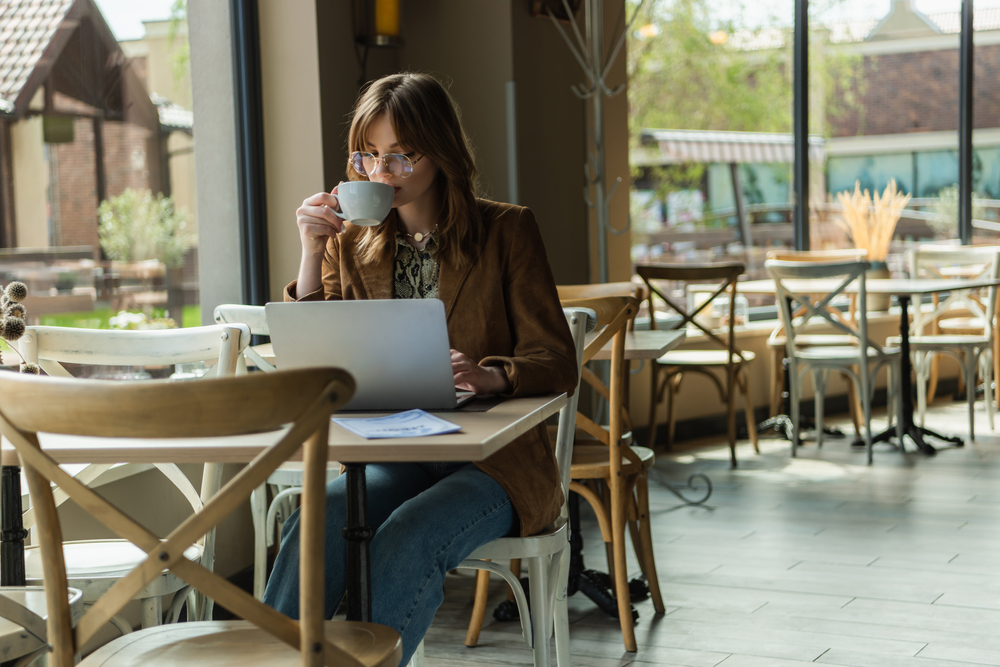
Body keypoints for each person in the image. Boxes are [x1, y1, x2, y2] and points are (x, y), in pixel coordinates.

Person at [263, 72, 577, 664]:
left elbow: (557, 361)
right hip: (397, 448)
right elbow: (319, 356)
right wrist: (309, 251)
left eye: (402, 156)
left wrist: (494, 376)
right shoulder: (349, 243)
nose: (382, 173)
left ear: (441, 152)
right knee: (318, 521)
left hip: (496, 464)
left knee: (407, 537)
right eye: (370, 156)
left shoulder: (507, 230)